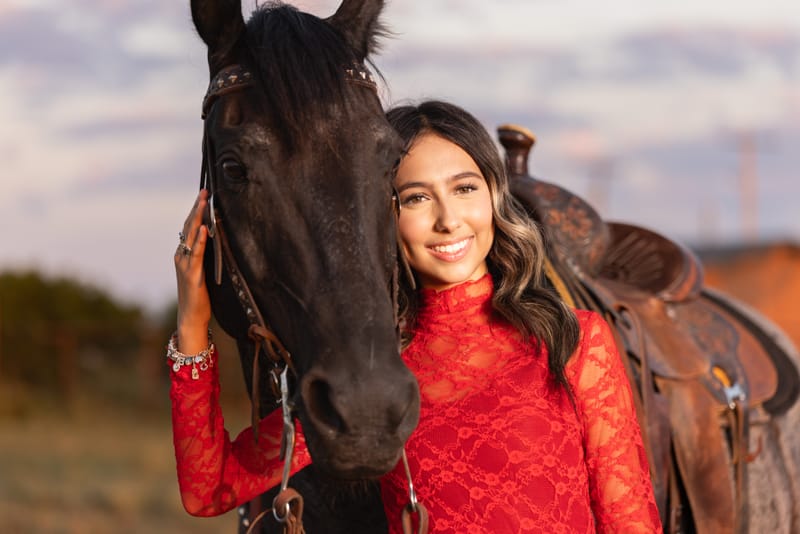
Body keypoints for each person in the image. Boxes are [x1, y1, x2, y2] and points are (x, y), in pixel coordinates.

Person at [169, 100, 661, 532]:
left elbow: (629, 522)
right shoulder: (374, 373)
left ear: (493, 197)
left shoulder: (572, 341)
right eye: (416, 198)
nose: (448, 219)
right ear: (380, 214)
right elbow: (209, 489)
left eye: (465, 188)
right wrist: (193, 325)